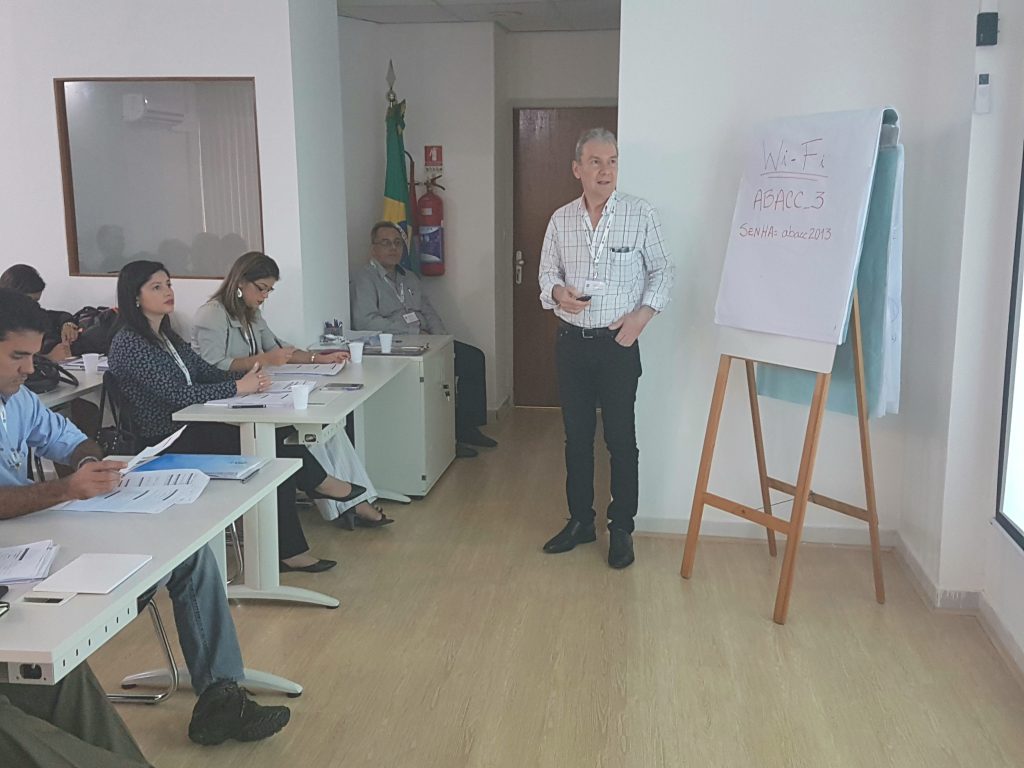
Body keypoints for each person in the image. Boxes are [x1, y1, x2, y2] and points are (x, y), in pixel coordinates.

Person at [0, 288, 291, 755]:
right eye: (18, 357)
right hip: (17, 558)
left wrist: (89, 463)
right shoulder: (133, 344)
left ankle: (221, 694)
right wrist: (64, 489)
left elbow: (70, 439)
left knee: (188, 554)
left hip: (38, 537)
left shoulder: (17, 400)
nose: (30, 369)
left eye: (33, 356)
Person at [107, 261, 361, 572]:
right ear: (135, 296)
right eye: (156, 287)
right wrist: (238, 387)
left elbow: (204, 372)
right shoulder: (130, 344)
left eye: (169, 284)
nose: (168, 292)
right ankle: (312, 499)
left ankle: (299, 525)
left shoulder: (166, 336)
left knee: (274, 439)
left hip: (193, 426)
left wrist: (249, 382)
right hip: (164, 440)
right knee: (267, 449)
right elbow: (176, 394)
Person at [537, 128, 674, 569]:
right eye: (595, 162)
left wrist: (641, 317)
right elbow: (546, 274)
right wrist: (558, 293)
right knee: (576, 438)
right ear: (577, 169)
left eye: (612, 161)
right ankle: (580, 521)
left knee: (620, 440)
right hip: (572, 344)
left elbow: (663, 271)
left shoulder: (640, 213)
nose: (605, 170)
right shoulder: (561, 219)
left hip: (617, 345)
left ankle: (621, 528)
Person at [192, 251, 393, 528]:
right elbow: (212, 366)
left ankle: (356, 501)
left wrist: (318, 358)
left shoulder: (251, 314)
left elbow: (279, 349)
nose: (264, 296)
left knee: (326, 428)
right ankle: (345, 499)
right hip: (223, 401)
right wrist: (264, 359)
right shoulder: (212, 315)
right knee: (301, 431)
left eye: (269, 290)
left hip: (254, 391)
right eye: (261, 288)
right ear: (240, 282)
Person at [350, 221, 497, 458]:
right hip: (396, 346)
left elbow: (428, 311)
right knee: (436, 379)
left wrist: (443, 340)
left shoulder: (409, 277)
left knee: (472, 358)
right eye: (386, 243)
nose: (393, 248)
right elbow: (365, 321)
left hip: (426, 341)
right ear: (373, 249)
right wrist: (413, 333)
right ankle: (445, 440)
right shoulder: (364, 278)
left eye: (398, 243)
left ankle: (467, 428)